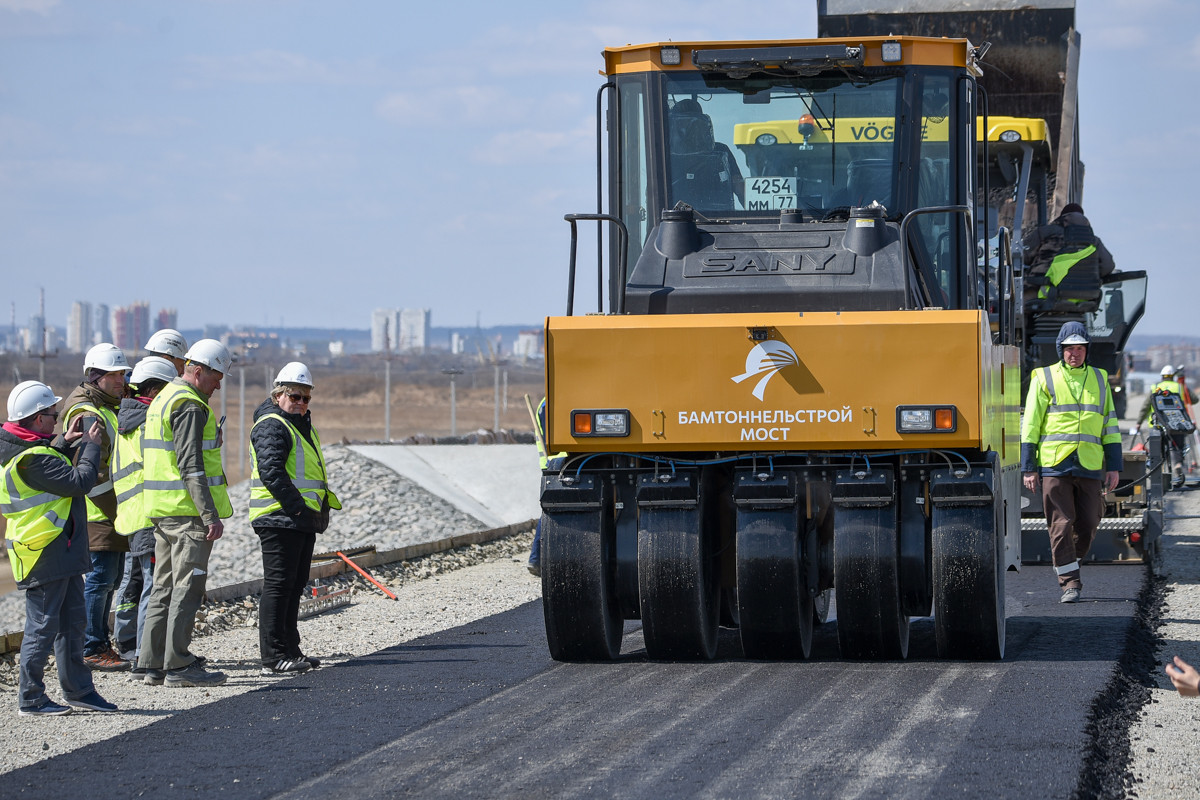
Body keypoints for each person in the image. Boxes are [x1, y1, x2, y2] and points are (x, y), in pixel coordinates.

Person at [1, 381, 118, 716]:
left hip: (58, 550)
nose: (58, 418)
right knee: (43, 626)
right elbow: (79, 483)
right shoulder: (29, 459)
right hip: (42, 552)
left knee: (72, 623)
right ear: (38, 419)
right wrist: (91, 447)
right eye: (53, 414)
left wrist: (63, 445)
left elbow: (52, 474)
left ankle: (79, 690)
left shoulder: (30, 451)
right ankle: (31, 698)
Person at [137, 339, 233, 688]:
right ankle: (178, 664)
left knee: (163, 585)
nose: (218, 384)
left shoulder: (164, 398)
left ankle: (152, 662)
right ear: (198, 370)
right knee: (187, 587)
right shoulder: (190, 406)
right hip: (187, 513)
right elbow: (191, 466)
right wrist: (209, 515)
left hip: (163, 511)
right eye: (216, 376)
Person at [248, 362, 341, 675]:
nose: (300, 403)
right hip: (279, 517)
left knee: (295, 583)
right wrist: (298, 508)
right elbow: (271, 472)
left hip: (297, 519)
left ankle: (291, 649)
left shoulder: (299, 424)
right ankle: (273, 656)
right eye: (294, 396)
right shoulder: (272, 425)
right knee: (279, 585)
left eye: (306, 398)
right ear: (278, 395)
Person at [1021, 321, 1122, 603]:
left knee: (1089, 522)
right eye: (1068, 349)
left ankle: (1068, 562)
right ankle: (1069, 583)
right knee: (1061, 524)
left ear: (1086, 350)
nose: (1074, 353)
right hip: (1055, 462)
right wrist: (1029, 467)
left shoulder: (1100, 378)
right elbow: (1030, 425)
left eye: (1079, 348)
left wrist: (1113, 466)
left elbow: (1110, 425)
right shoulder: (1043, 377)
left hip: (1090, 463)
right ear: (1060, 350)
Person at [61, 342, 132, 672]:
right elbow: (93, 472)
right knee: (101, 580)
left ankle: (99, 642)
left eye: (123, 374)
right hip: (98, 513)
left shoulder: (106, 406)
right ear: (96, 376)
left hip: (109, 510)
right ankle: (93, 646)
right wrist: (120, 513)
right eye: (115, 375)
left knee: (110, 579)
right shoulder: (87, 412)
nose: (122, 381)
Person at [111, 356, 178, 672]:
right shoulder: (147, 424)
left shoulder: (125, 421)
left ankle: (141, 649)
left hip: (135, 517)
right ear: (155, 391)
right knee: (155, 587)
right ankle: (144, 654)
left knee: (143, 584)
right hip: (151, 516)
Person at [1022, 202, 1115, 305]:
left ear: (1062, 217)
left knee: (1016, 306)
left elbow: (1022, 256)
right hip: (1084, 296)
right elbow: (1108, 266)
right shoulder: (1094, 241)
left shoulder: (1045, 233)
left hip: (1043, 291)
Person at [1134, 364, 1198, 490]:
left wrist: (1138, 422)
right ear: (1173, 376)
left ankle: (1158, 472)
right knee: (1176, 447)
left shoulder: (1155, 388)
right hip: (1177, 424)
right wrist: (1183, 385)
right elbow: (1194, 399)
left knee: (1157, 451)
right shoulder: (1179, 387)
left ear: (1162, 377)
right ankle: (1178, 464)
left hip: (1157, 425)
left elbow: (1146, 406)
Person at [527, 397, 565, 578]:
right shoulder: (550, 402)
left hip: (556, 462)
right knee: (551, 510)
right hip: (559, 462)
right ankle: (537, 559)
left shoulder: (547, 401)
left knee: (550, 510)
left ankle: (538, 560)